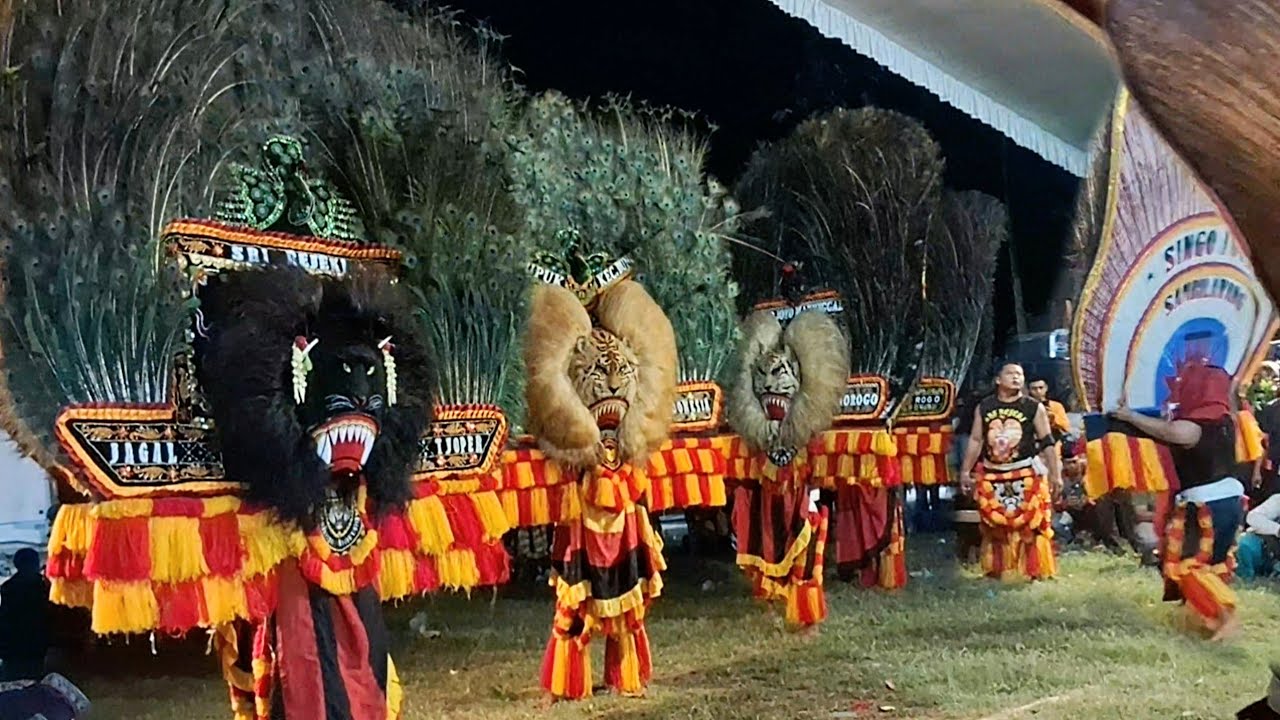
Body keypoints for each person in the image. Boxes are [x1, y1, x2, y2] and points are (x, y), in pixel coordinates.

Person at [1110, 361, 1243, 640]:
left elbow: (1171, 433)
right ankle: (1199, 616)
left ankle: (1222, 615)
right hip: (1228, 500)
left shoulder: (1195, 426)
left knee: (1188, 562)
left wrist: (1130, 416)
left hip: (1205, 505)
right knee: (1212, 560)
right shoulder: (1226, 420)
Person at [960, 363, 1063, 580]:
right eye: (1010, 373)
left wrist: (1055, 474)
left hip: (1025, 472)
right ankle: (996, 569)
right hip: (993, 473)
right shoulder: (985, 406)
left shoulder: (1033, 406)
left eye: (1020, 374)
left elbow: (1047, 441)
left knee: (1032, 525)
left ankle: (1036, 570)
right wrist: (965, 471)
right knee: (995, 526)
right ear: (998, 379)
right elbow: (976, 440)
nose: (1016, 377)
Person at [0, 549, 50, 682]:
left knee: (10, 682)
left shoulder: (8, 587)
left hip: (11, 647)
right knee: (33, 682)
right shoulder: (42, 587)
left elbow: (4, 617)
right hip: (35, 646)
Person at [1238, 492, 1280, 579]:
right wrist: (1277, 529)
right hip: (1264, 548)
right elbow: (1252, 517)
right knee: (1245, 544)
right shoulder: (1278, 500)